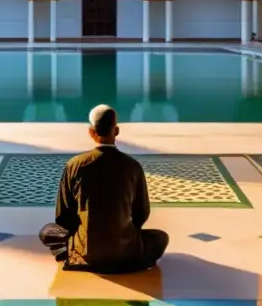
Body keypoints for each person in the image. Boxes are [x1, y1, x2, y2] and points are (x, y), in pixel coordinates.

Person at [39, 104, 169, 273]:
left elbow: (63, 217)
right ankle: (125, 257)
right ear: (116, 131)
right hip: (124, 251)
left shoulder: (75, 165)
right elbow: (141, 213)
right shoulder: (132, 166)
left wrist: (84, 235)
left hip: (85, 251)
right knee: (160, 238)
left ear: (91, 132)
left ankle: (74, 256)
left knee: (47, 232)